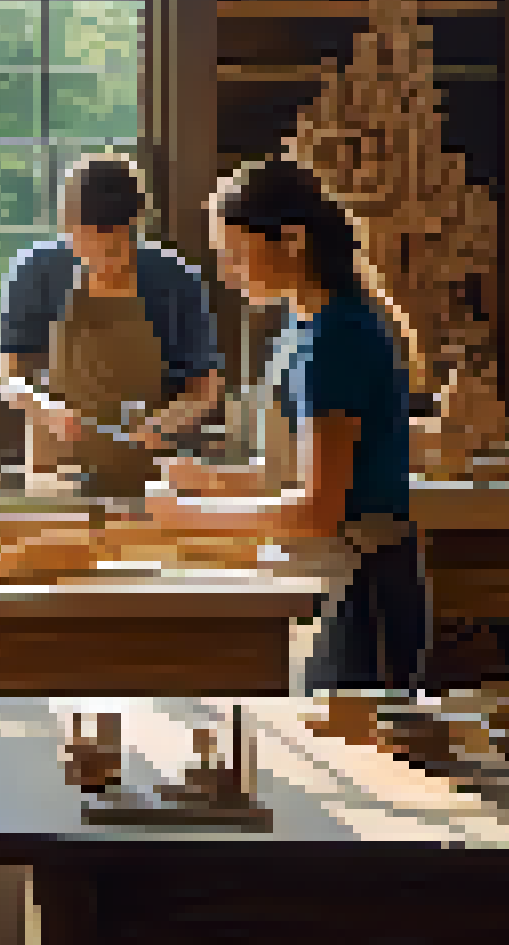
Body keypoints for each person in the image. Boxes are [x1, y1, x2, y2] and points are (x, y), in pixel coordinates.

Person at [147, 157, 425, 693]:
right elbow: (288, 472)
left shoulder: (336, 338)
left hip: (362, 590)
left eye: (235, 255)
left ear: (292, 241)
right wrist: (207, 479)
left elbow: (319, 509)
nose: (226, 272)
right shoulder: (299, 328)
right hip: (323, 575)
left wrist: (191, 515)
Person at [0, 156, 224, 495]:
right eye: (87, 245)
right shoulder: (36, 271)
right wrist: (45, 407)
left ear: (136, 223)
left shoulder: (175, 279)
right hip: (57, 469)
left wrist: (167, 420)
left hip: (150, 475)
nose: (102, 259)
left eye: (115, 246)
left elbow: (204, 389)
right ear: (66, 226)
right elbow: (7, 376)